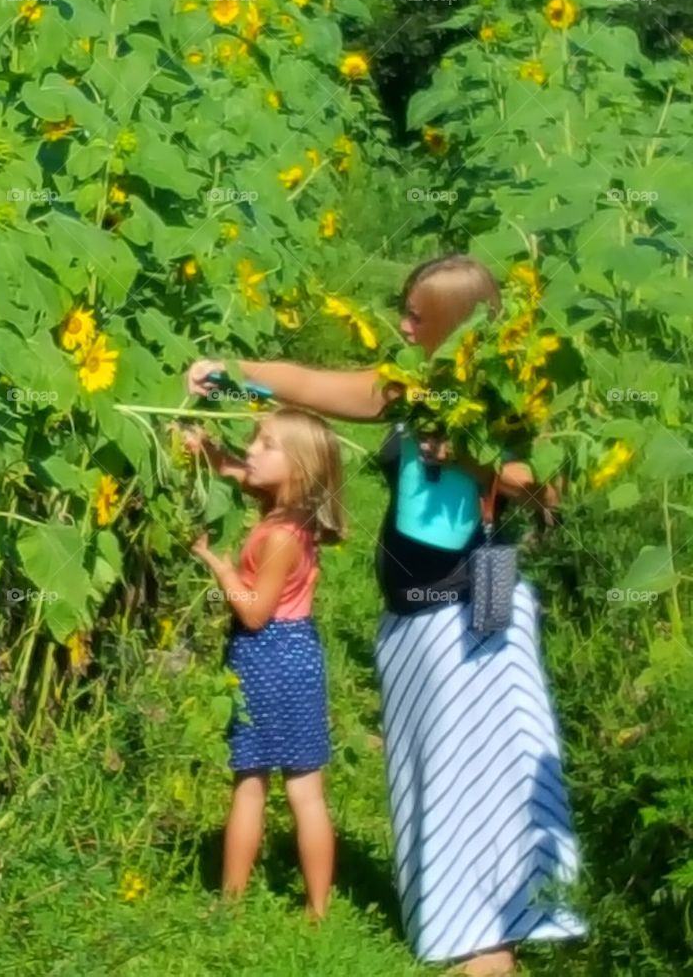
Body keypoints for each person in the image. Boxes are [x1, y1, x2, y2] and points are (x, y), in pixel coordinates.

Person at [185, 254, 585, 977]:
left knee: (480, 772)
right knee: (435, 772)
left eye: (414, 316)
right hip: (415, 625)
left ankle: (488, 948)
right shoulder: (412, 388)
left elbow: (543, 493)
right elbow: (315, 385)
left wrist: (466, 456)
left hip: (474, 618)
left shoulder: (505, 398)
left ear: (454, 325)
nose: (400, 324)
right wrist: (233, 370)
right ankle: (469, 927)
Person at [182, 407, 347, 920]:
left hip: (267, 654)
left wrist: (218, 563)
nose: (252, 450)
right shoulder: (291, 515)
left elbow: (254, 613)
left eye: (266, 444)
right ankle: (318, 911)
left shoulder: (279, 536)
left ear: (297, 467)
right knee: (306, 790)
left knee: (250, 784)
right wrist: (208, 453)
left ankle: (230, 905)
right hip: (299, 655)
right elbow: (241, 472)